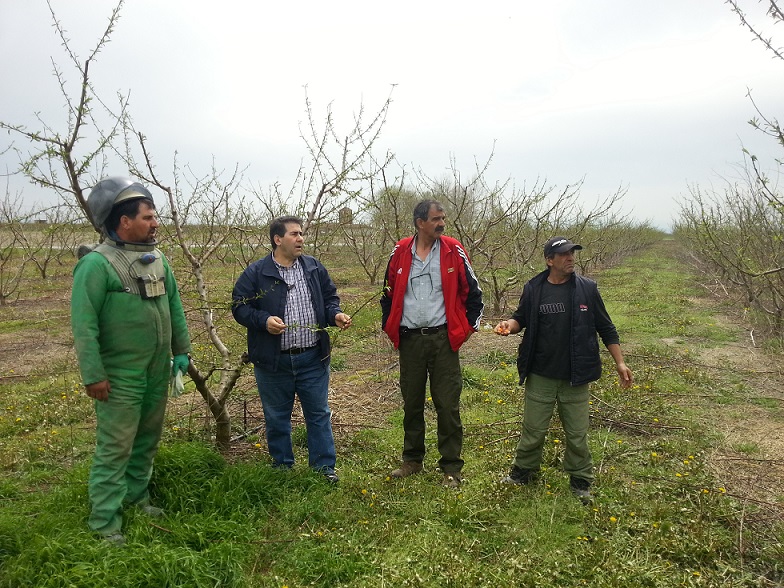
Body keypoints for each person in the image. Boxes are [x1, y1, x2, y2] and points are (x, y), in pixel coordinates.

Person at [71, 177, 191, 545]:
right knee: (115, 448)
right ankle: (105, 522)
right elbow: (84, 326)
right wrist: (93, 375)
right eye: (149, 217)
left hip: (156, 371)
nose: (156, 223)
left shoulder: (157, 261)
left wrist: (181, 351)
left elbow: (174, 306)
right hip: (119, 377)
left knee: (146, 441)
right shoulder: (96, 266)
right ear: (124, 221)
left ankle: (137, 498)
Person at [494, 236, 633, 502]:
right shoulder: (534, 288)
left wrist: (620, 362)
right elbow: (520, 318)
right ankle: (522, 473)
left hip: (576, 375)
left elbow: (606, 327)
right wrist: (509, 326)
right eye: (564, 254)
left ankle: (581, 481)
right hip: (541, 372)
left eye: (573, 253)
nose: (571, 258)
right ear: (550, 260)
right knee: (533, 429)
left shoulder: (587, 289)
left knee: (577, 433)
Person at [232, 216, 351, 483]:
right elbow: (239, 307)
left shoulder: (313, 268)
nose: (301, 239)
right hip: (274, 361)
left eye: (301, 234)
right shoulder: (257, 273)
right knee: (276, 416)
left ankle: (323, 469)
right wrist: (263, 321)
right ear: (278, 239)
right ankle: (282, 468)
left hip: (312, 357)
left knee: (318, 413)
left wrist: (336, 315)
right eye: (295, 234)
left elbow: (330, 299)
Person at [380, 200, 483, 488]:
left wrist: (465, 330)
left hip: (443, 340)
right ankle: (412, 460)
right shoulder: (401, 251)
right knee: (411, 403)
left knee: (447, 404)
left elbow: (474, 293)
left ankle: (451, 466)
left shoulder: (453, 249)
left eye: (443, 218)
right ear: (419, 222)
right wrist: (390, 327)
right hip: (410, 340)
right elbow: (387, 292)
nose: (441, 223)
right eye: (436, 219)